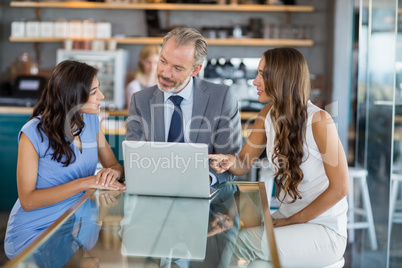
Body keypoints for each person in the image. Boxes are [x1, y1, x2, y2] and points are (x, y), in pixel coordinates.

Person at [209, 47, 349, 267]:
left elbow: (341, 188)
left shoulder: (320, 122)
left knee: (241, 241)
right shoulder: (266, 115)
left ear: (282, 78)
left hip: (324, 231)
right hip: (287, 223)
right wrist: (228, 161)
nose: (255, 81)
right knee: (252, 260)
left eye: (262, 74)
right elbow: (244, 162)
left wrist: (290, 221)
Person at [4, 60, 126, 259]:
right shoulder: (33, 133)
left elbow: (114, 165)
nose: (101, 97)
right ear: (73, 97)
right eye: (94, 92)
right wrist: (87, 182)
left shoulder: (91, 120)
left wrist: (113, 172)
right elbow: (27, 201)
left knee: (115, 256)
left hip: (78, 223)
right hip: (37, 231)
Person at [126, 26, 242, 185]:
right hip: (154, 192)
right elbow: (134, 159)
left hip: (203, 197)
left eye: (177, 68)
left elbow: (231, 162)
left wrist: (203, 180)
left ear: (196, 69)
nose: (165, 73)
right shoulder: (140, 100)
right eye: (163, 61)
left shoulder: (221, 98)